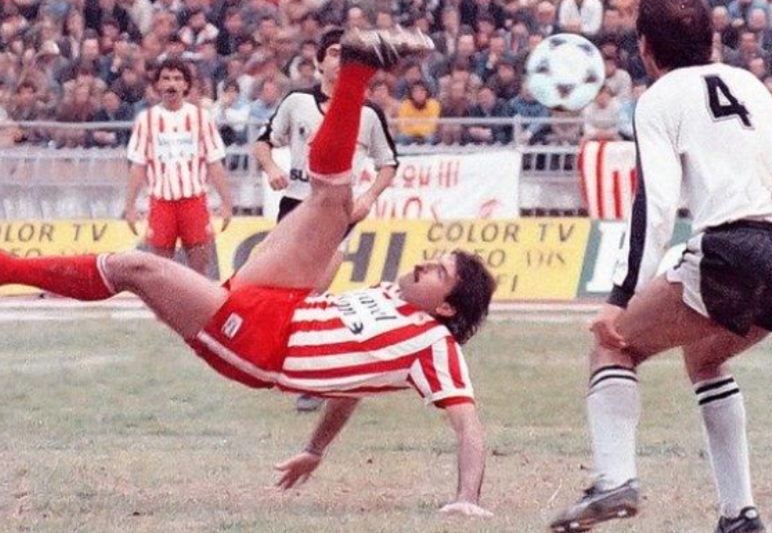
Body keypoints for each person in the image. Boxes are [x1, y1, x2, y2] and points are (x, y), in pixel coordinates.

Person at [0, 29, 496, 517]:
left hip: (263, 345)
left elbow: (468, 426)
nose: (423, 263)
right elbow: (354, 387)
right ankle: (358, 71)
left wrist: (467, 500)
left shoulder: (434, 345)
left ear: (445, 305)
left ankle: (6, 268)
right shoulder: (390, 297)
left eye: (438, 272)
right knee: (331, 200)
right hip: (285, 300)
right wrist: (316, 449)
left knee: (135, 266)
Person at [549, 0, 772, 533]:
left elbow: (655, 206)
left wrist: (619, 297)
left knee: (613, 344)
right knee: (704, 359)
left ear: (645, 47)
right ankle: (739, 515)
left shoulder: (660, 98)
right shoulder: (749, 84)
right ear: (710, 40)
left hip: (736, 248)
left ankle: (614, 481)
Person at [253, 27, 399, 413]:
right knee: (280, 292)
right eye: (333, 53)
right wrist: (271, 168)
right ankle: (277, 362)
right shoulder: (297, 102)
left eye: (347, 55)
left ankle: (313, 380)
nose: (339, 61)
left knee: (314, 294)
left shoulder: (368, 114)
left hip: (337, 212)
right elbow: (264, 142)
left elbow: (388, 163)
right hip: (295, 206)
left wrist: (368, 197)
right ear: (319, 61)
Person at [123, 58, 234, 278]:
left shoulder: (201, 118)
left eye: (177, 78)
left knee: (200, 268)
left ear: (186, 84)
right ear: (157, 84)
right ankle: (166, 302)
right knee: (161, 271)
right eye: (166, 78)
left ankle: (197, 302)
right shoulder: (146, 120)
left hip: (193, 200)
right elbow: (138, 166)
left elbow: (214, 163)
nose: (171, 84)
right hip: (161, 202)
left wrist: (227, 203)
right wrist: (130, 207)